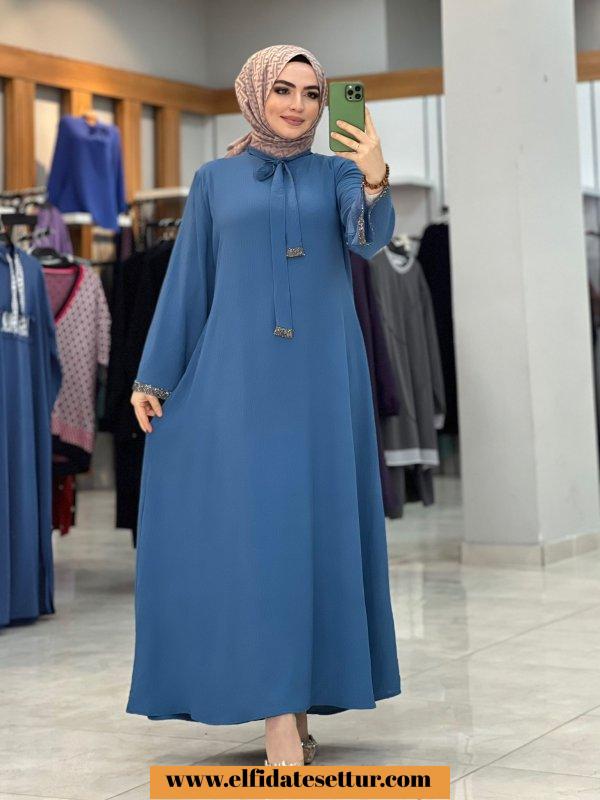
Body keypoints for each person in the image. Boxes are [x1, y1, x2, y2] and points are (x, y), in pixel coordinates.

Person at [126, 44, 401, 767]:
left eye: (311, 93)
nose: (298, 105)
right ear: (254, 92)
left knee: (312, 533)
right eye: (283, 89)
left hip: (322, 380)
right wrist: (154, 376)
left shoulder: (338, 174)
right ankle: (280, 716)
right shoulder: (214, 180)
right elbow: (190, 280)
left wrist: (374, 174)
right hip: (239, 380)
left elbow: (368, 241)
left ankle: (297, 703)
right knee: (261, 538)